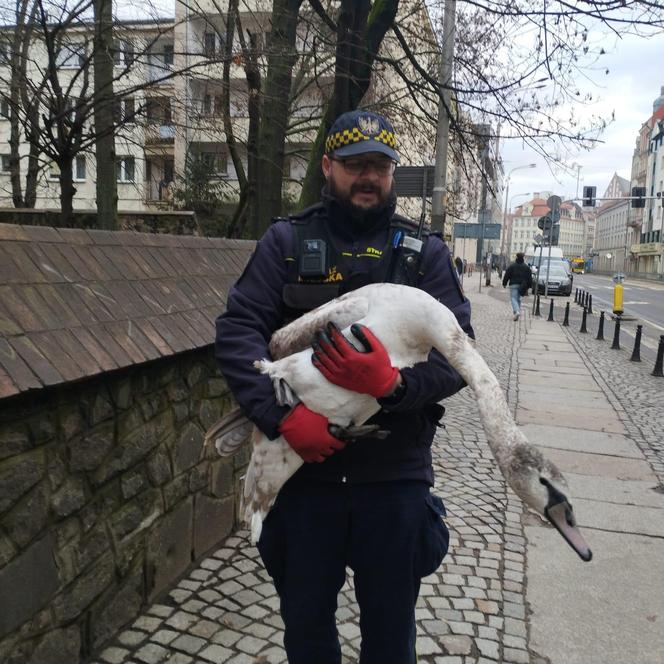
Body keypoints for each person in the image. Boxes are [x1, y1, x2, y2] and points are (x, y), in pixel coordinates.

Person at [215, 109, 474, 664]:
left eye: (379, 166)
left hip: (394, 479)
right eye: (355, 164)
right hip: (307, 480)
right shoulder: (286, 242)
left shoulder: (422, 254)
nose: (368, 177)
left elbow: (459, 358)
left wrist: (393, 385)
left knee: (390, 637)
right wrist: (282, 419)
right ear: (328, 166)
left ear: (392, 174)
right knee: (307, 633)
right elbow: (239, 335)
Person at [502, 251, 532, 321]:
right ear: (523, 257)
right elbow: (529, 277)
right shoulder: (526, 267)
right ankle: (516, 312)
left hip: (513, 284)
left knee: (513, 298)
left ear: (516, 257)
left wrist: (504, 283)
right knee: (518, 299)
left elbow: (507, 275)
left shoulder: (512, 266)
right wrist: (529, 286)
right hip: (522, 286)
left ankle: (517, 311)